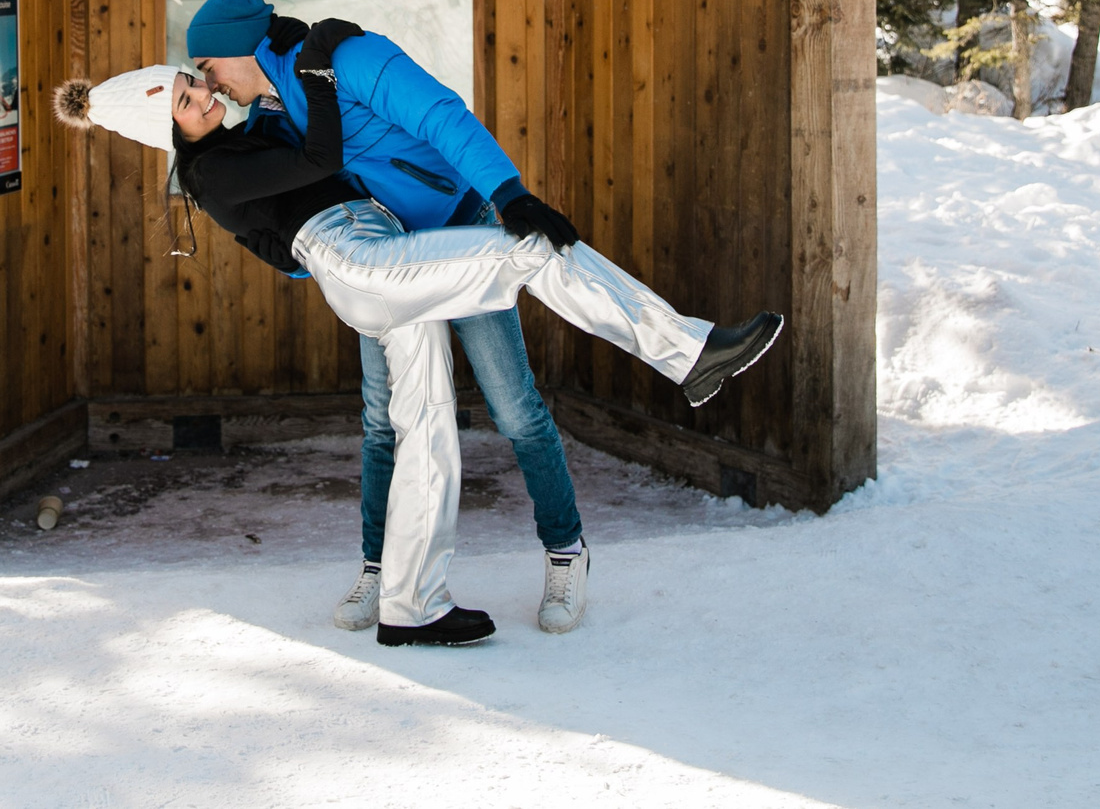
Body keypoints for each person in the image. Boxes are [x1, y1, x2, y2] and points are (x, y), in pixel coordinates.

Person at [55, 48, 783, 649]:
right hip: (361, 260)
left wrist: (278, 95)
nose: (205, 94)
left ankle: (413, 606)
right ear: (167, 130)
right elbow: (321, 157)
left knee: (425, 423)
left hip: (380, 244)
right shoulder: (211, 170)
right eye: (187, 100)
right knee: (527, 250)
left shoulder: (234, 140)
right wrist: (309, 81)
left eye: (194, 82)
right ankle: (688, 352)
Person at [184, 0, 587, 635]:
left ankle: (566, 550)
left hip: (463, 225)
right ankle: (379, 567)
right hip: (393, 253)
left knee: (514, 407)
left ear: (238, 48)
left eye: (208, 68)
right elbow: (296, 204)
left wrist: (507, 193)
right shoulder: (269, 118)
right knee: (382, 419)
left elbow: (443, 117)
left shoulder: (332, 64)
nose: (210, 85)